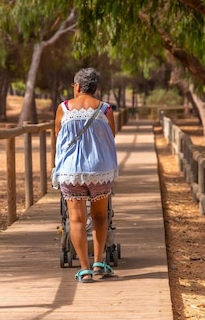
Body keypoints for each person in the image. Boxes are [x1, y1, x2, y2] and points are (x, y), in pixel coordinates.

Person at [52, 68, 118, 283]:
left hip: (71, 171)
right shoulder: (105, 109)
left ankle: (85, 269)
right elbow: (112, 135)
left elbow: (58, 136)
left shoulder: (63, 108)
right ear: (95, 88)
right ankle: (99, 263)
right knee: (100, 216)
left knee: (77, 219)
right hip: (99, 170)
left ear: (77, 86)